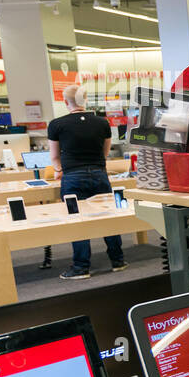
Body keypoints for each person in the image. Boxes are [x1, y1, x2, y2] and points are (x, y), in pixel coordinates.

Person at [48, 84, 125, 279]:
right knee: (108, 216)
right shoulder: (102, 123)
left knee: (77, 219)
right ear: (86, 100)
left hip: (72, 176)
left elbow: (55, 156)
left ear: (66, 102)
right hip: (99, 173)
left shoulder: (57, 124)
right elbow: (105, 152)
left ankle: (81, 267)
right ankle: (118, 260)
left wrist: (58, 171)